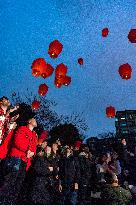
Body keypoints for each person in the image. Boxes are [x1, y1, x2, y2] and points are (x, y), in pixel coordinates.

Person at [0, 117, 37, 205]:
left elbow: (34, 148)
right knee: (9, 182)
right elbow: (17, 142)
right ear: (29, 121)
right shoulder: (22, 129)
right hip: (16, 158)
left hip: (24, 161)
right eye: (34, 119)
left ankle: (10, 202)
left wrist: (32, 153)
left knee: (17, 185)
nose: (36, 120)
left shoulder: (34, 135)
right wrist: (27, 150)